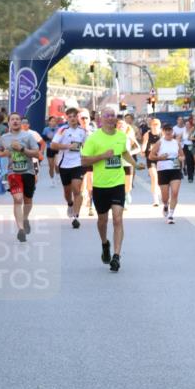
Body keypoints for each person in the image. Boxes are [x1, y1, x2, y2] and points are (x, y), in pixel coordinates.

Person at [81, 108, 136, 272]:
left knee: (118, 219)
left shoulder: (121, 135)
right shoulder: (94, 138)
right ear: (101, 119)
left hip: (117, 184)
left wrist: (134, 163)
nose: (111, 118)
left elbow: (124, 152)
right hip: (100, 186)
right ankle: (105, 243)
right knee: (102, 221)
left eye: (113, 115)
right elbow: (84, 161)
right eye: (108, 115)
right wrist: (102, 156)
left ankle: (116, 256)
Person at [0, 113, 41, 242]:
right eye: (12, 119)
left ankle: (25, 218)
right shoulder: (4, 138)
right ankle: (20, 229)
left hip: (28, 171)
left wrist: (22, 149)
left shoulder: (28, 136)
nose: (15, 121)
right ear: (8, 122)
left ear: (21, 122)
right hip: (13, 172)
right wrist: (4, 153)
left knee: (28, 200)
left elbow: (37, 153)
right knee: (17, 199)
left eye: (17, 119)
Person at [50, 107, 88, 228]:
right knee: (67, 192)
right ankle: (70, 204)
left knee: (77, 189)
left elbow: (87, 147)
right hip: (64, 164)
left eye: (74, 116)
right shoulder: (62, 130)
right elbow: (53, 145)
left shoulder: (83, 131)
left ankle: (76, 217)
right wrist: (67, 146)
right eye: (70, 117)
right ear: (67, 118)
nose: (72, 119)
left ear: (78, 118)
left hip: (78, 164)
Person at [150, 123, 184, 223]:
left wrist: (181, 158)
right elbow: (151, 156)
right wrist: (160, 157)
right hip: (163, 170)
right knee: (165, 197)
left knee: (175, 192)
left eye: (170, 130)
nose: (168, 132)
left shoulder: (176, 143)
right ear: (163, 131)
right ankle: (165, 205)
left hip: (175, 169)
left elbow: (182, 155)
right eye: (166, 130)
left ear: (172, 131)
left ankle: (171, 214)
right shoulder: (159, 142)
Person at [143, 117, 164, 208]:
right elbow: (144, 143)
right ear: (150, 126)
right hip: (150, 158)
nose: (155, 127)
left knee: (161, 178)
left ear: (159, 125)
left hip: (160, 158)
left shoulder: (162, 133)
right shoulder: (147, 134)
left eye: (157, 125)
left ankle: (162, 194)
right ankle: (155, 199)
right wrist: (143, 150)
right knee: (154, 178)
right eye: (153, 125)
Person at [42, 115, 60, 186]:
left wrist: (54, 139)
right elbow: (43, 138)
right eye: (52, 121)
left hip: (57, 148)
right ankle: (52, 179)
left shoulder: (58, 129)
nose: (53, 122)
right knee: (51, 166)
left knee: (57, 164)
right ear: (49, 122)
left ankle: (58, 176)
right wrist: (48, 138)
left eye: (54, 121)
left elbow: (61, 138)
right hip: (49, 148)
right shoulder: (46, 129)